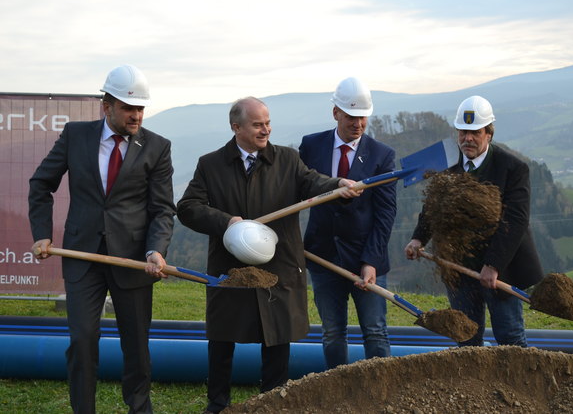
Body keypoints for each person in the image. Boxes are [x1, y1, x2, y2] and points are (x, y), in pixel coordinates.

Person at [176, 96, 361, 414]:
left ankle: (272, 402)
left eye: (268, 123)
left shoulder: (287, 159)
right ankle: (217, 403)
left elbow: (311, 181)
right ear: (236, 127)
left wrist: (337, 185)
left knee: (276, 337)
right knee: (222, 338)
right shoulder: (211, 164)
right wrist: (228, 223)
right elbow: (188, 207)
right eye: (258, 124)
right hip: (230, 267)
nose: (266, 130)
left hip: (279, 265)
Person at [28, 64, 176, 414]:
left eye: (140, 108)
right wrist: (42, 235)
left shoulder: (157, 147)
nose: (136, 115)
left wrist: (156, 250)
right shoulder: (75, 136)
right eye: (128, 107)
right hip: (82, 258)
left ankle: (139, 408)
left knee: (137, 345)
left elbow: (162, 210)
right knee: (82, 340)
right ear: (105, 106)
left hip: (134, 260)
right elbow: (40, 184)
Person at [404, 95, 543, 347]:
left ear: (489, 134)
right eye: (463, 132)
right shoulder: (447, 164)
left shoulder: (512, 168)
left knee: (510, 338)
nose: (467, 138)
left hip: (500, 270)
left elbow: (516, 221)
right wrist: (418, 237)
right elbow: (433, 207)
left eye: (475, 132)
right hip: (459, 268)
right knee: (466, 339)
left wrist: (493, 264)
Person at [298, 77, 396, 368]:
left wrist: (371, 260)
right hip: (322, 257)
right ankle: (338, 395)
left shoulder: (382, 155)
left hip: (365, 260)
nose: (358, 124)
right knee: (332, 334)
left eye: (363, 117)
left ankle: (381, 396)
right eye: (352, 116)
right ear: (336, 113)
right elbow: (300, 189)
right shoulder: (311, 146)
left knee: (375, 333)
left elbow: (385, 214)